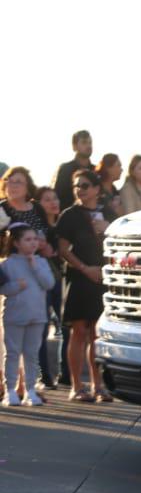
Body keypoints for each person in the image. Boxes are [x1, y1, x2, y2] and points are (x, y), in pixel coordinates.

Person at [2, 169, 61, 390]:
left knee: (39, 327)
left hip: (37, 270)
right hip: (10, 270)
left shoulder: (35, 207)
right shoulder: (2, 208)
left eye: (19, 182)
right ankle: (10, 385)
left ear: (28, 187)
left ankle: (36, 381)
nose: (14, 185)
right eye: (10, 181)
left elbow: (48, 233)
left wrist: (45, 245)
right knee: (11, 336)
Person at [57, 169, 110, 402]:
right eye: (77, 185)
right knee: (79, 331)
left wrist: (106, 228)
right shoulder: (70, 215)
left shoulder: (108, 213)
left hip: (102, 277)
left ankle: (99, 386)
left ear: (97, 189)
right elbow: (62, 249)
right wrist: (84, 268)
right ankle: (77, 386)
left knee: (98, 334)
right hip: (79, 277)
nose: (80, 189)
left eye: (86, 185)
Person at [1, 223, 56, 407]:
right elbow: (4, 289)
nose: (33, 243)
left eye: (35, 239)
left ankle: (30, 390)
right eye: (28, 239)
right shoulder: (7, 264)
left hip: (37, 315)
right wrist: (17, 286)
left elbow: (49, 284)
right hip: (14, 316)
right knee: (13, 353)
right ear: (16, 243)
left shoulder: (41, 262)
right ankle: (10, 391)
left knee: (31, 354)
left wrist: (35, 267)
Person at [33, 185, 66, 387]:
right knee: (42, 328)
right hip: (43, 282)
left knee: (65, 327)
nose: (53, 202)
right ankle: (44, 375)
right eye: (47, 199)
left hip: (61, 280)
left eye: (55, 198)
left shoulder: (62, 226)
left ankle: (64, 373)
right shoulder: (38, 231)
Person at [52, 130, 94, 211]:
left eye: (90, 142)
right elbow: (58, 197)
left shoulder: (95, 170)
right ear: (74, 147)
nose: (89, 146)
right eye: (84, 142)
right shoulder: (65, 169)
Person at [95, 153, 124, 221]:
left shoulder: (115, 191)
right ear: (108, 168)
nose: (121, 169)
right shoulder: (97, 191)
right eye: (118, 165)